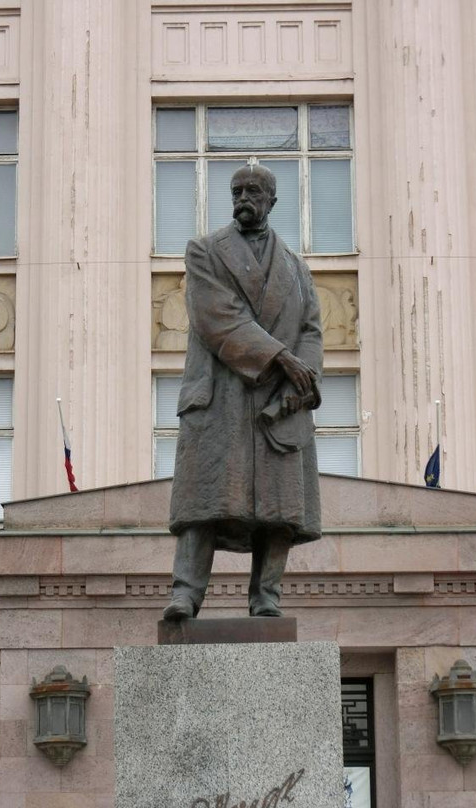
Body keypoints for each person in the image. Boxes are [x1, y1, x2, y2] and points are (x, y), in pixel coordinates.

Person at [164, 163, 323, 621]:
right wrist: (280, 358)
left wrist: (304, 380)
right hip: (221, 397)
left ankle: (266, 596)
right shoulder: (205, 252)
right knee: (204, 500)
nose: (243, 198)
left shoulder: (295, 267)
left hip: (279, 401)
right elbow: (218, 316)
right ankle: (186, 593)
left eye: (253, 191)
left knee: (279, 507)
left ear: (272, 201)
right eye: (236, 191)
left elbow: (311, 330)